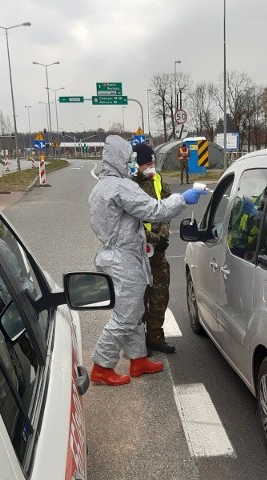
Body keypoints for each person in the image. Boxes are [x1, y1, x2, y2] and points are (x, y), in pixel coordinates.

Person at [88, 135, 209, 386]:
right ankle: (101, 365)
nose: (132, 162)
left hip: (119, 254)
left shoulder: (101, 187)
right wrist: (182, 199)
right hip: (124, 257)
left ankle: (138, 359)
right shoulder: (121, 187)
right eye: (129, 157)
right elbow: (154, 211)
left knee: (133, 310)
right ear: (119, 158)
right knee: (125, 315)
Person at [131, 143, 176, 354]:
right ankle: (138, 344)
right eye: (146, 164)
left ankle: (155, 337)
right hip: (139, 252)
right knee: (139, 300)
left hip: (159, 251)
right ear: (137, 164)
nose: (151, 167)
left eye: (152, 162)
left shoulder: (158, 180)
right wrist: (154, 238)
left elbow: (168, 208)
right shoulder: (130, 186)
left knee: (160, 295)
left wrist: (164, 234)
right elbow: (131, 223)